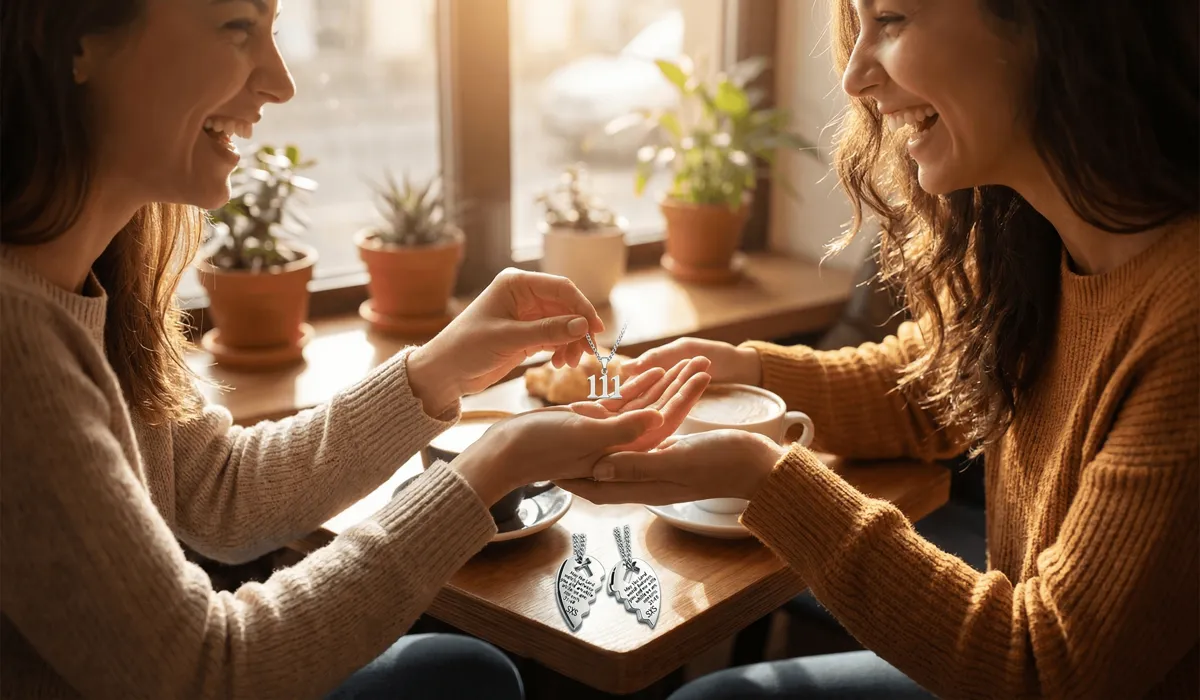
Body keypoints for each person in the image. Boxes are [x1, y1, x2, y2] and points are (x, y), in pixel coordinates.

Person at [0, 1, 713, 698]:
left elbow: (212, 490)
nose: (280, 81)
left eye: (274, 31)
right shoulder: (16, 346)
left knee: (469, 674)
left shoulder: (93, 286)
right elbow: (209, 669)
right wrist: (494, 465)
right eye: (237, 27)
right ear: (77, 38)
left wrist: (437, 369)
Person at [562, 0, 1199, 697]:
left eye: (891, 19)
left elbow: (1043, 668)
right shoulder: (1033, 237)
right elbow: (930, 387)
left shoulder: (1184, 324)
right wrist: (744, 368)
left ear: (1051, 24)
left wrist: (767, 478)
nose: (855, 78)